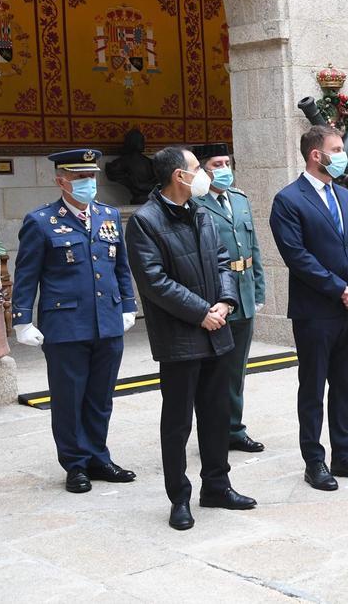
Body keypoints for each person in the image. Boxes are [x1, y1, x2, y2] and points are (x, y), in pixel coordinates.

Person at [125, 146, 255, 531]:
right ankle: (178, 498)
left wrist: (226, 302)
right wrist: (202, 313)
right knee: (178, 423)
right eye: (197, 168)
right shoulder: (145, 222)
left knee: (216, 416)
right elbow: (154, 282)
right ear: (178, 177)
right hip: (180, 337)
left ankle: (217, 485)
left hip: (217, 331)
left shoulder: (200, 211)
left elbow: (222, 260)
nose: (204, 174)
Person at [12, 148, 138, 494]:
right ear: (61, 181)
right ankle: (76, 464)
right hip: (65, 325)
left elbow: (121, 268)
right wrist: (22, 320)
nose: (88, 183)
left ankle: (98, 456)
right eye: (80, 178)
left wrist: (128, 305)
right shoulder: (41, 222)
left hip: (108, 322)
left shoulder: (108, 215)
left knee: (100, 397)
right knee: (69, 399)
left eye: (91, 177)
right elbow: (26, 275)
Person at [270, 125, 348, 490]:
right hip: (316, 311)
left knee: (345, 385)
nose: (342, 155)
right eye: (336, 149)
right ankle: (314, 461)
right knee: (313, 388)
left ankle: (343, 454)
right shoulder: (288, 200)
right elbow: (297, 257)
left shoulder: (346, 196)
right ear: (317, 155)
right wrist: (339, 289)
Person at [192, 143, 266, 453]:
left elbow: (254, 247)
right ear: (203, 171)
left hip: (244, 294)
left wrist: (259, 290)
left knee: (236, 370)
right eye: (216, 164)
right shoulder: (196, 205)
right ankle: (214, 430)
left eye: (227, 162)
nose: (224, 169)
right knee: (213, 372)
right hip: (216, 299)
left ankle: (234, 428)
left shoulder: (239, 199)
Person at [105, 128, 156, 204]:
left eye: (142, 140)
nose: (143, 143)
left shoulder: (150, 162)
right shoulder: (123, 162)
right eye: (140, 141)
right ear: (132, 142)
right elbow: (112, 171)